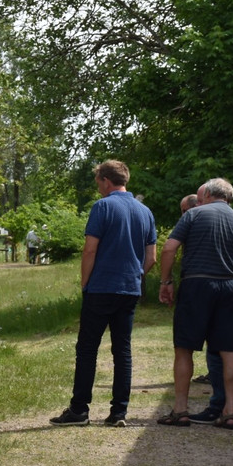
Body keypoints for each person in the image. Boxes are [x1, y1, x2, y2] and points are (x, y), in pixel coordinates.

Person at [51, 160, 157, 427]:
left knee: (87, 349)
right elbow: (152, 257)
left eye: (98, 181)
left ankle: (79, 410)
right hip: (129, 288)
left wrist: (85, 282)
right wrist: (137, 276)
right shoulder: (145, 212)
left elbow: (90, 250)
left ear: (106, 181)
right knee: (122, 350)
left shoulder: (103, 206)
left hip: (101, 287)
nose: (98, 186)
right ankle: (119, 412)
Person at [158, 178, 233, 429]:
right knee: (229, 351)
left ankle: (180, 410)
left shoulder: (193, 215)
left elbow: (169, 249)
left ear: (209, 195)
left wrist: (166, 281)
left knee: (184, 348)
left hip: (196, 285)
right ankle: (231, 412)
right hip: (229, 287)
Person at [179, 192, 233, 419]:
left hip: (211, 286)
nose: (184, 214)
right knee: (231, 350)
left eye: (184, 210)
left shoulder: (198, 218)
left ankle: (222, 404)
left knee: (215, 351)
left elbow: (171, 248)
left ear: (201, 201)